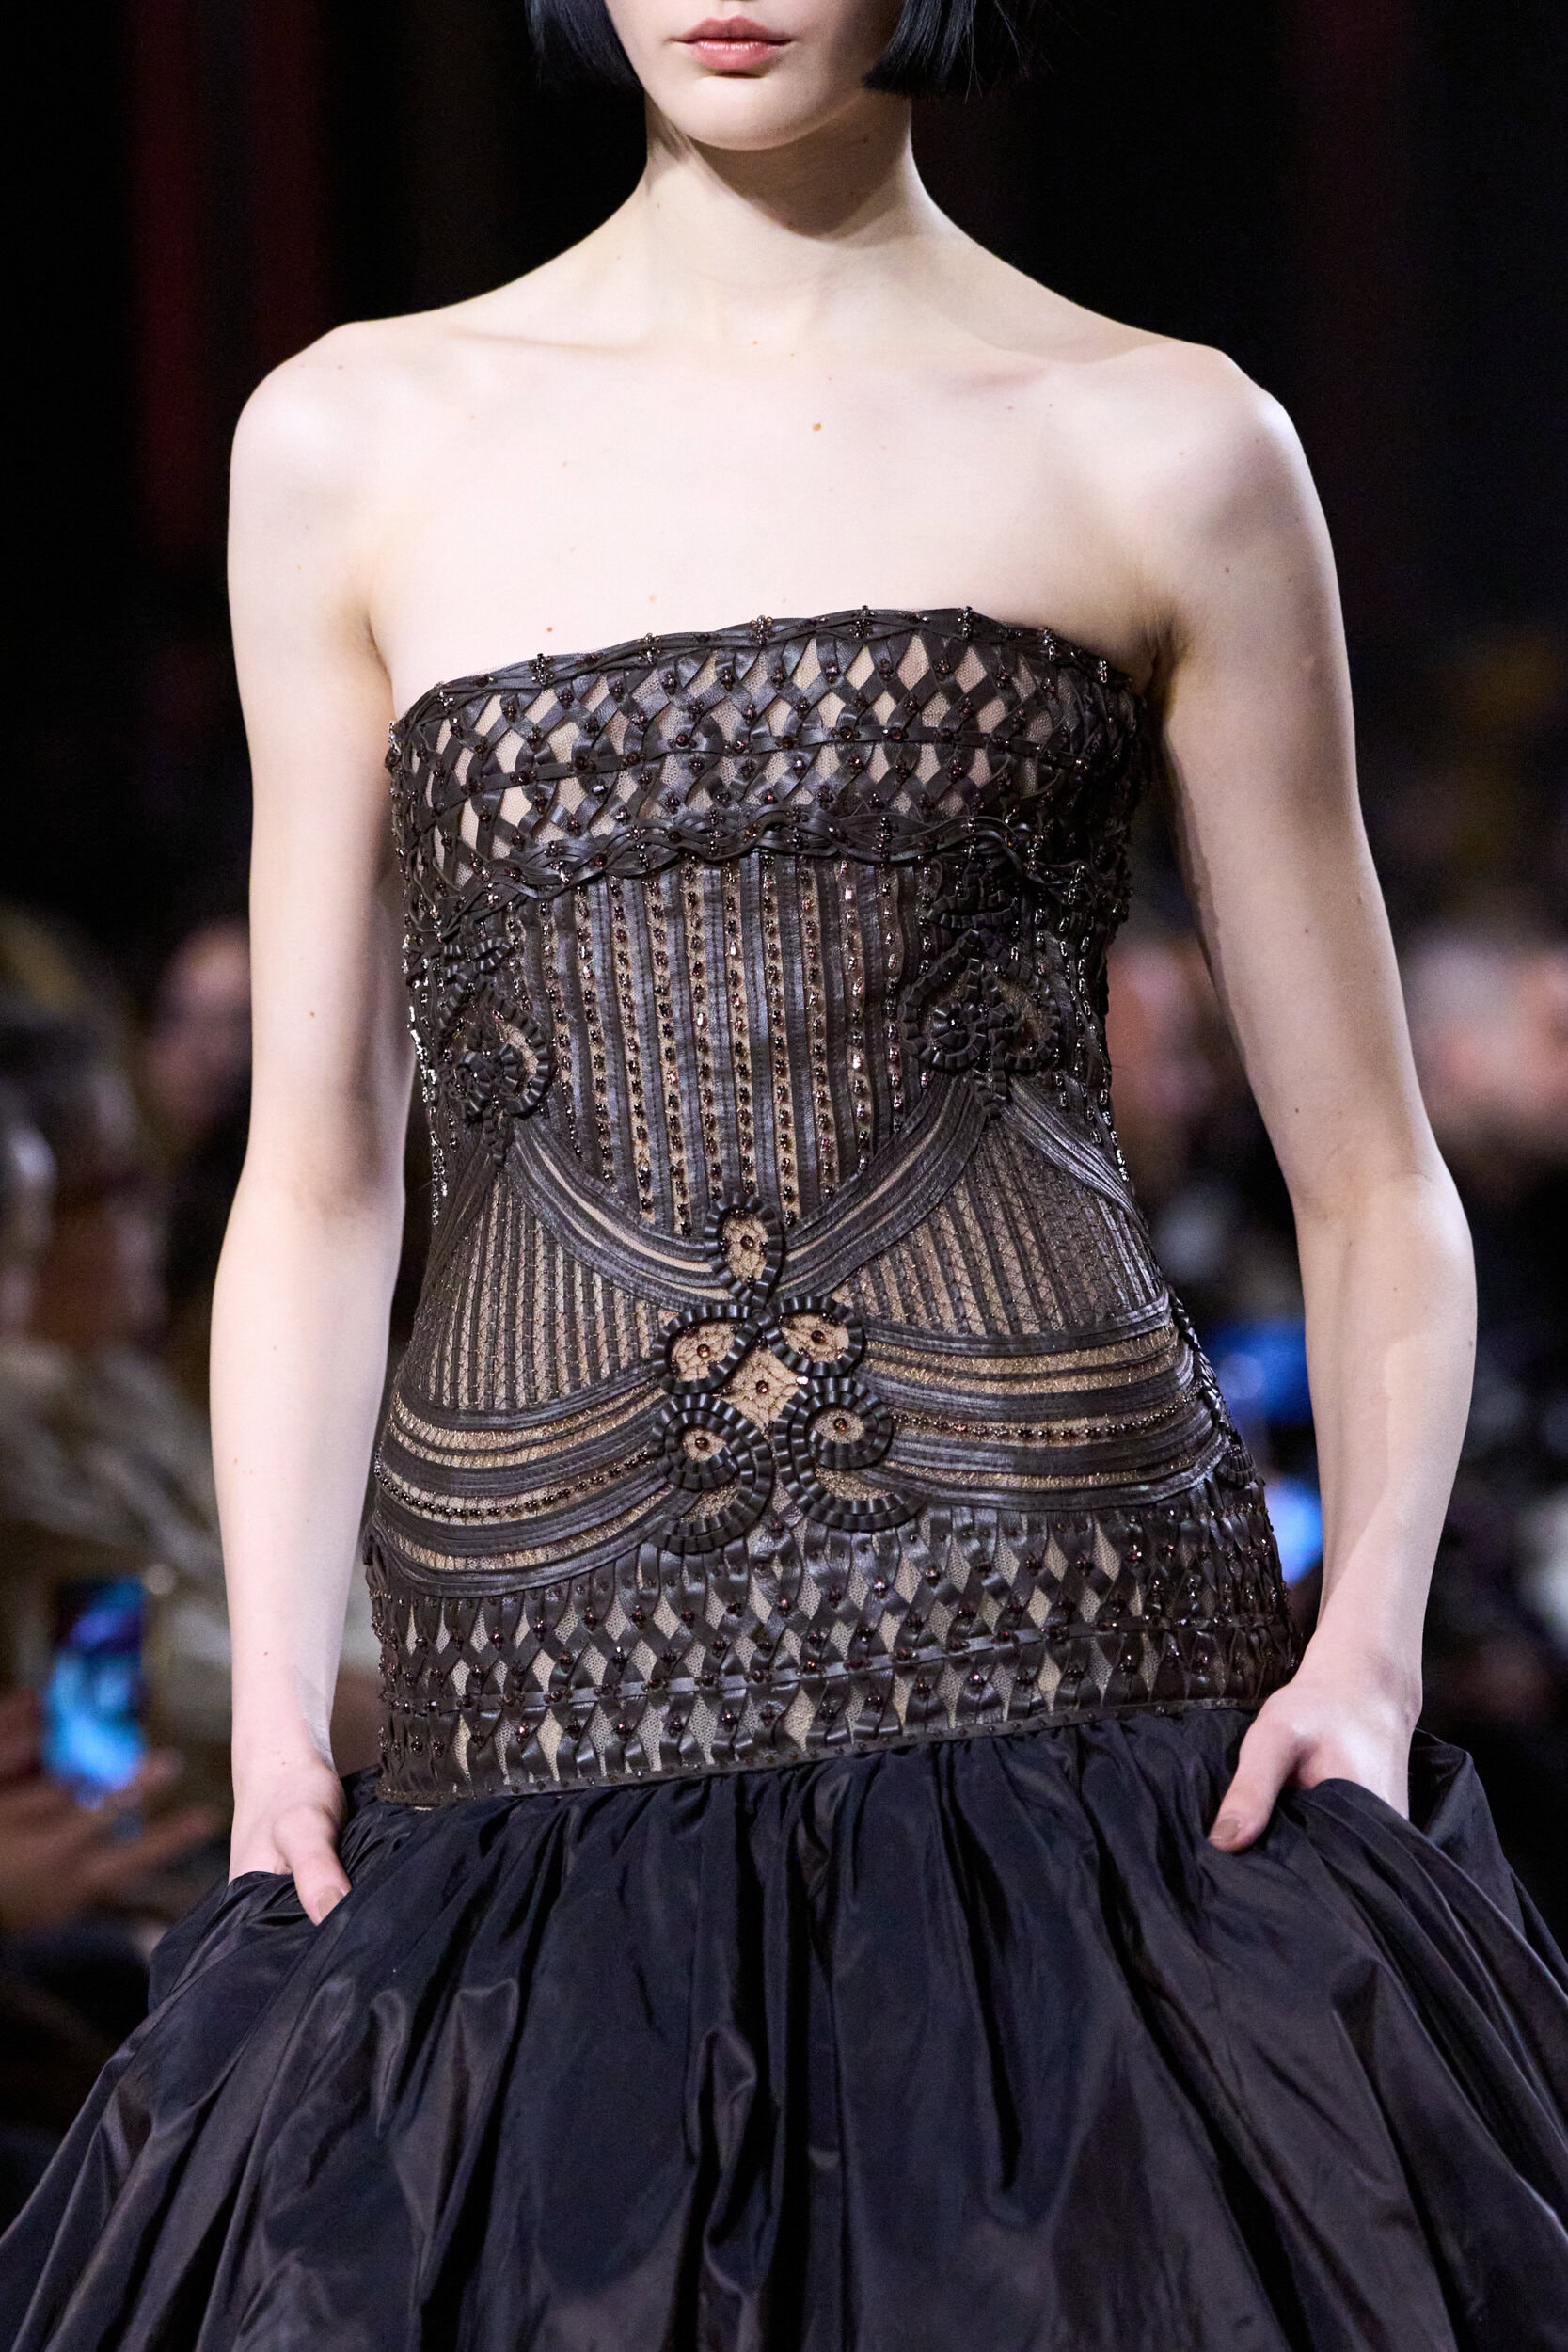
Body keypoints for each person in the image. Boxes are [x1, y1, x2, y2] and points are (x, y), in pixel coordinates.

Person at [5, 1, 1568, 2344]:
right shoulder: (352, 437)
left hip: (1077, 1689)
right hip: (528, 1706)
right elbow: (318, 1170)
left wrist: (1367, 1655)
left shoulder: (1167, 442)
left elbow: (1371, 1179)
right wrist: (279, 1737)